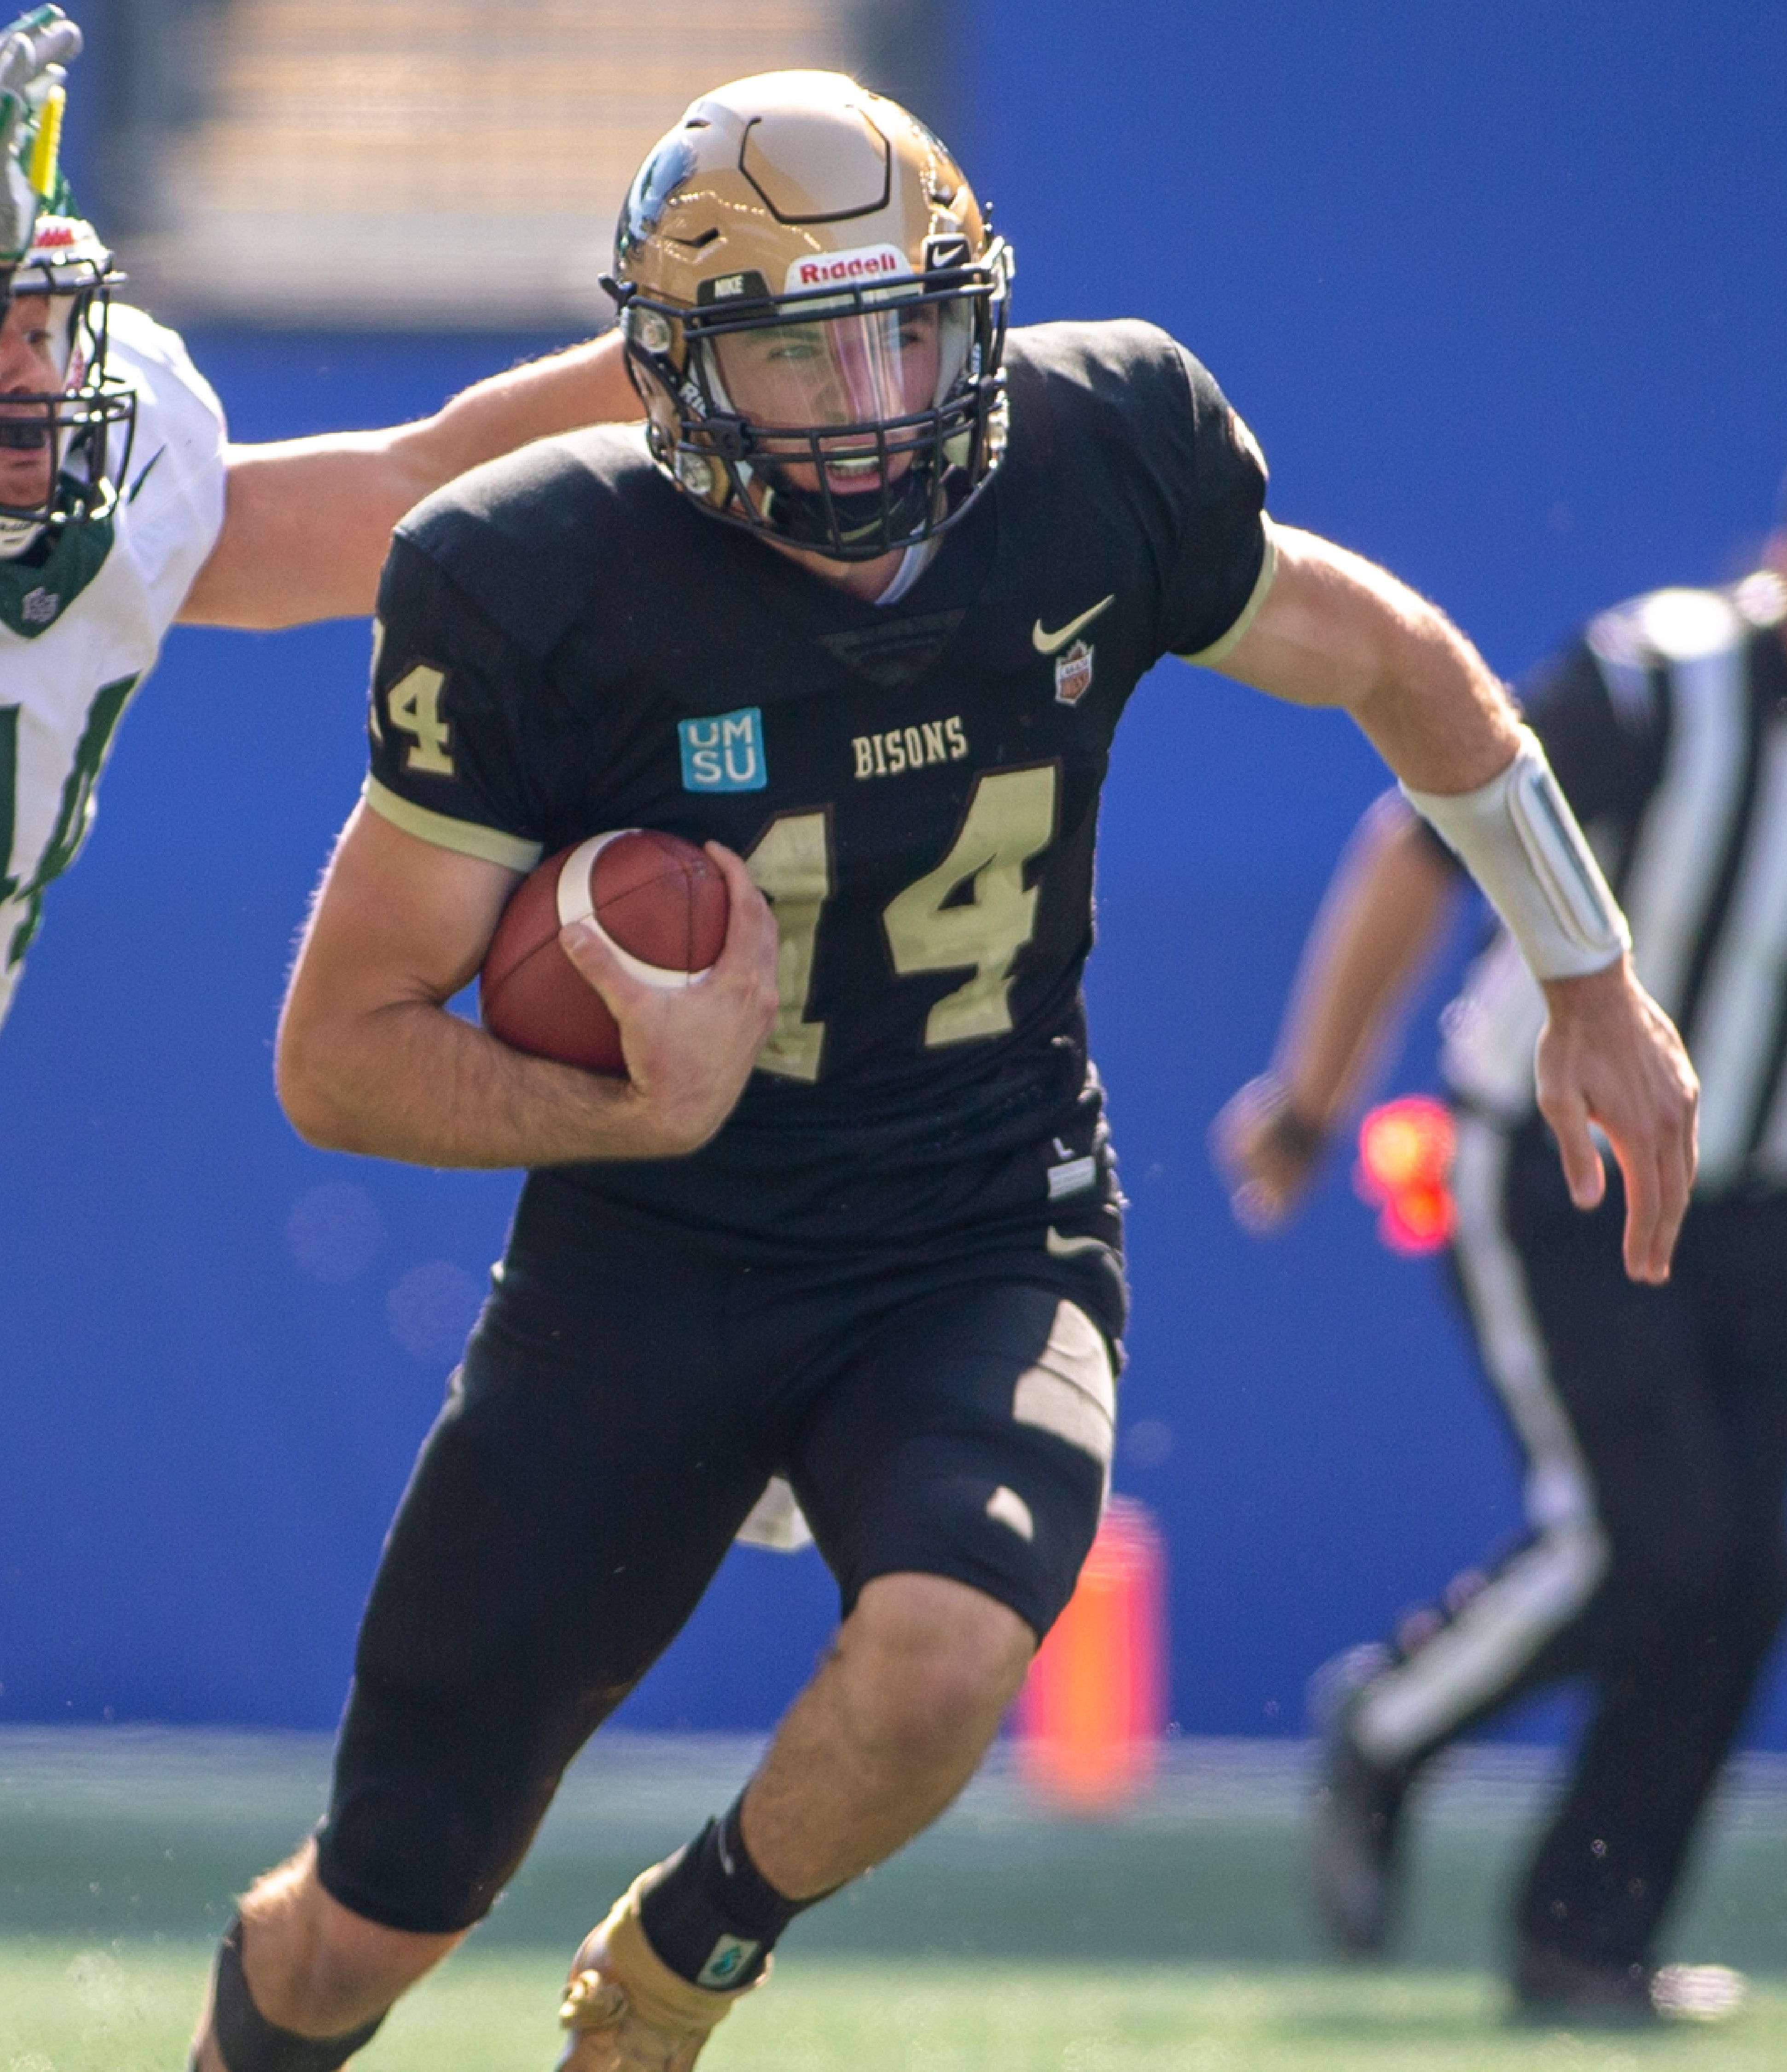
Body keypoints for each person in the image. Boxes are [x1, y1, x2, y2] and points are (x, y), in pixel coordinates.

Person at [195, 71, 1696, 2072]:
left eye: (902, 328)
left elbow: (1392, 661)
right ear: (676, 378)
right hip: (648, 1255)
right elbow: (337, 1053)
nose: (871, 398)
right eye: (801, 358)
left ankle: (679, 1964)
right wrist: (627, 1105)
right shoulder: (532, 575)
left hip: (974, 1221)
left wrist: (1586, 970)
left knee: (938, 1660)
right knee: (361, 1932)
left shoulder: (1100, 451)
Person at [1213, 430, 1787, 2021]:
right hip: (1566, 1170)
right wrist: (1310, 1096)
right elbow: (1420, 850)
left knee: (1745, 1577)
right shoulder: (1653, 687)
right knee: (1652, 1536)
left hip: (1771, 1194)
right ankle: (1393, 1724)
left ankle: (1586, 1940)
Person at [0, 7, 638, 1034]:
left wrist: (684, 352)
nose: (28, 375)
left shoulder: (117, 485)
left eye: (38, 322)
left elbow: (409, 492)